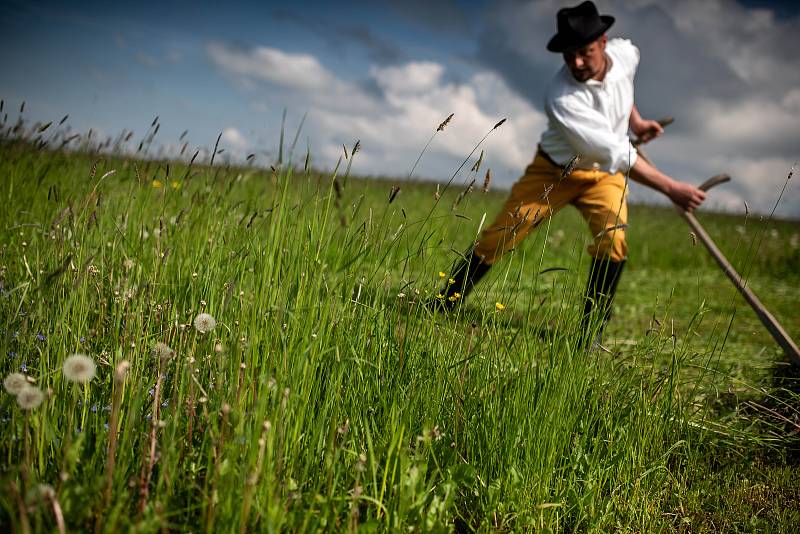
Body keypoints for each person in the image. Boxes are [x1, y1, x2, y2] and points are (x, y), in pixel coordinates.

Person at [435, 1, 706, 346]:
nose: (576, 63)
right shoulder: (563, 99)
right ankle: (444, 304)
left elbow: (623, 88)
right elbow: (618, 154)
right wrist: (671, 189)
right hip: (554, 173)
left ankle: (589, 336)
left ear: (604, 43)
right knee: (500, 235)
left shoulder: (626, 54)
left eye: (584, 52)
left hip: (604, 177)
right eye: (568, 55)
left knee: (614, 240)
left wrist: (635, 121)